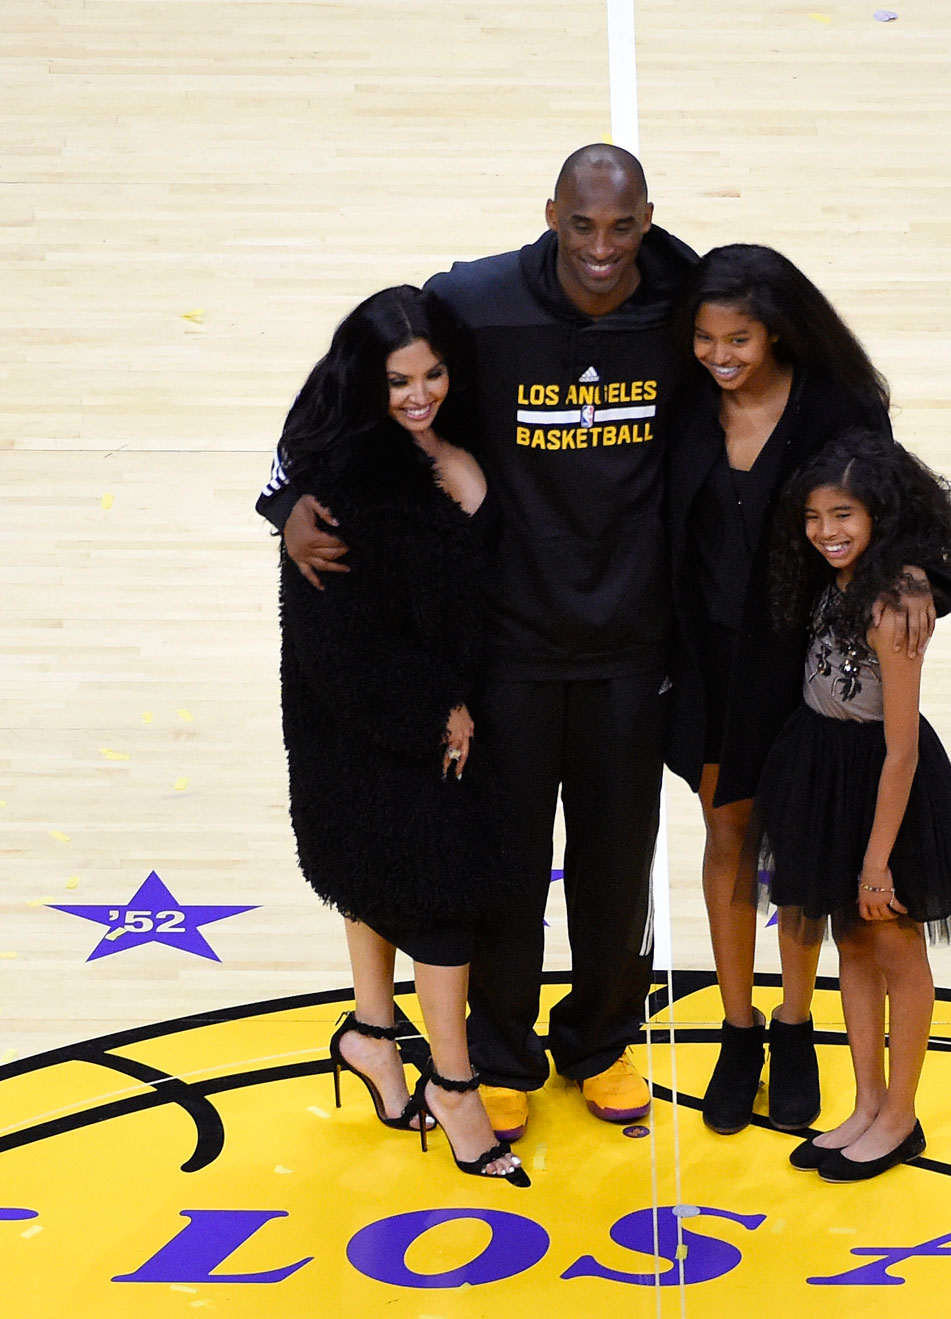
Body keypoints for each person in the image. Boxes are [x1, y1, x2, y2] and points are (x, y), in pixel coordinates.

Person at [263, 145, 697, 1139]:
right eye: (579, 224)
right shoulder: (475, 299)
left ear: (646, 221)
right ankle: (499, 1055)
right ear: (550, 214)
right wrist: (288, 499)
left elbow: (789, 365)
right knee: (502, 863)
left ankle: (600, 1038)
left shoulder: (684, 298)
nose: (599, 247)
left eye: (620, 226)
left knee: (616, 865)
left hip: (631, 644)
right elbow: (359, 366)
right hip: (505, 645)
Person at [276, 285, 524, 1185]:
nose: (419, 394)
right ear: (362, 382)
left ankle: (372, 1036)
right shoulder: (339, 486)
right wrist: (435, 710)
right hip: (373, 723)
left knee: (384, 883)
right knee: (437, 906)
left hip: (452, 703)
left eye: (432, 374)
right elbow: (336, 640)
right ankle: (456, 1085)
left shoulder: (465, 437)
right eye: (397, 382)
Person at [663, 243, 900, 1136]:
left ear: (779, 331)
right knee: (727, 834)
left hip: (802, 666)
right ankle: (739, 1028)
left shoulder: (841, 407)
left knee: (795, 853)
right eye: (705, 338)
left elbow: (894, 522)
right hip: (703, 661)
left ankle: (797, 1026)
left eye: (740, 340)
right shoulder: (683, 401)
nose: (720, 357)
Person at [754, 430, 951, 1182]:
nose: (828, 531)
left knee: (893, 945)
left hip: (883, 792)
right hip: (823, 772)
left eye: (845, 515)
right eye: (816, 516)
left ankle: (901, 1113)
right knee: (851, 945)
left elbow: (901, 748)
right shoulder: (840, 581)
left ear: (880, 517)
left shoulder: (896, 604)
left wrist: (878, 858)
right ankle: (864, 1101)